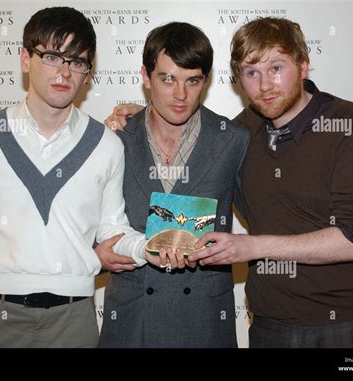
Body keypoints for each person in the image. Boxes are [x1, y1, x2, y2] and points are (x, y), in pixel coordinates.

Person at [0, 6, 146, 348]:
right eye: (53, 56)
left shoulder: (106, 145)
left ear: (88, 73)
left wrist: (153, 247)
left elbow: (113, 230)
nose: (64, 72)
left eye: (77, 61)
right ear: (25, 58)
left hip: (74, 319)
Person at [189, 17, 353, 348]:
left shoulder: (350, 124)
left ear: (304, 66)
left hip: (342, 327)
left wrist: (252, 247)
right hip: (268, 324)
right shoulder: (240, 131)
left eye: (276, 68)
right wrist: (142, 116)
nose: (265, 85)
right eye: (252, 73)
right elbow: (189, 140)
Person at [97, 22, 249, 348]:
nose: (180, 95)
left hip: (204, 322)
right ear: (145, 76)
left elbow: (268, 221)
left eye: (192, 80)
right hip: (130, 322)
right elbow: (83, 226)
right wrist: (96, 256)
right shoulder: (113, 139)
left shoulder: (233, 140)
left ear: (205, 82)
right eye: (168, 79)